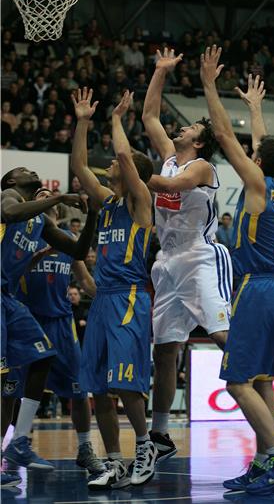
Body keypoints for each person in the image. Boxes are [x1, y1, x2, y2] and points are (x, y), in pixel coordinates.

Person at [201, 45, 274, 495]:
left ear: (258, 165)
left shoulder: (259, 183)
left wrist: (209, 86)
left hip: (257, 289)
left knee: (238, 380)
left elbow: (224, 136)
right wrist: (257, 109)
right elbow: (262, 147)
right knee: (262, 380)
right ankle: (264, 461)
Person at [141, 48, 232, 462]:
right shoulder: (171, 158)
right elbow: (149, 117)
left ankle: (271, 402)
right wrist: (160, 72)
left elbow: (170, 188)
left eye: (190, 127)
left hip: (200, 257)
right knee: (165, 348)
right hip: (167, 261)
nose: (180, 128)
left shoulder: (202, 169)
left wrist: (132, 168)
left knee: (219, 334)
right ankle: (160, 434)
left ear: (198, 141)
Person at [71, 87, 156, 489]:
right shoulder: (106, 203)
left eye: (118, 162)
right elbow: (80, 167)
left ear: (131, 170)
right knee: (99, 391)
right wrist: (83, 123)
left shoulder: (140, 202)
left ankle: (144, 447)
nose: (111, 163)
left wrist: (118, 119)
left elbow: (123, 155)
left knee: (124, 382)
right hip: (103, 301)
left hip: (130, 297)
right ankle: (115, 462)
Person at [1, 168, 97, 474]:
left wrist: (92, 214)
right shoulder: (8, 196)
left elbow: (80, 250)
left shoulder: (40, 222)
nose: (31, 172)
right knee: (5, 386)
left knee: (44, 358)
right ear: (12, 181)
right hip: (13, 301)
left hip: (13, 303)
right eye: (23, 171)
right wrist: (60, 196)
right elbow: (10, 212)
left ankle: (19, 443)